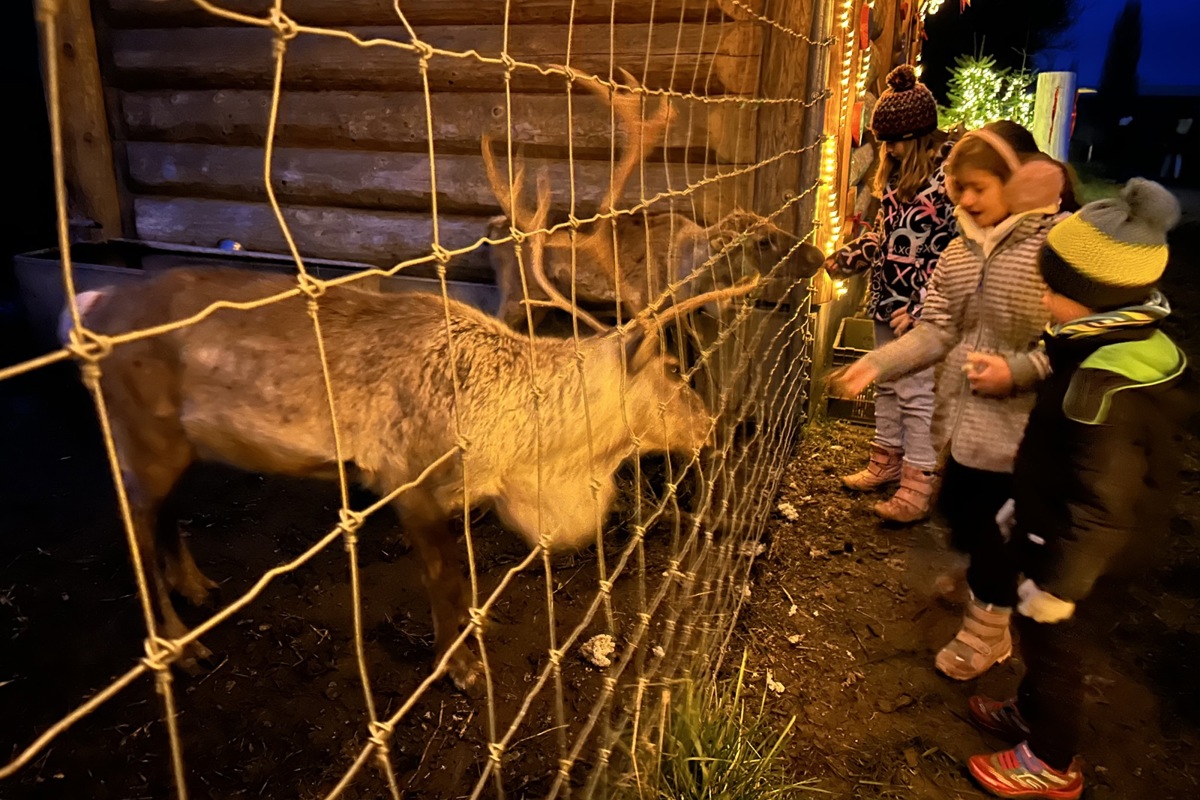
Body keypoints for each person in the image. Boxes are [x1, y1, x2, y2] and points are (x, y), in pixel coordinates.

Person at [965, 179, 1193, 799]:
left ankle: (1051, 759)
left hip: (1083, 554)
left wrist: (1060, 586)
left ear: (1088, 296)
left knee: (1056, 644)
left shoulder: (1101, 389)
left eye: (1050, 286)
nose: (1041, 293)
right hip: (1065, 526)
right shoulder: (1119, 342)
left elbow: (1102, 502)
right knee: (1042, 644)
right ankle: (1031, 713)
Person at [834, 120, 1077, 680]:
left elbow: (1071, 340)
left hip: (1023, 432)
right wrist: (875, 364)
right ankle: (990, 585)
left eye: (978, 188)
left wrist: (1017, 370)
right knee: (960, 516)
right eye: (957, 187)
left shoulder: (1055, 251)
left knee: (993, 532)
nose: (965, 199)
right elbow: (937, 328)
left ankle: (987, 632)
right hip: (963, 425)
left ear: (1016, 184)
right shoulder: (960, 254)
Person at [825, 64, 959, 524]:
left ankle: (918, 482)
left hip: (922, 309)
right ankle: (886, 461)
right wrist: (846, 258)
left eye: (897, 141)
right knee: (887, 383)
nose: (889, 150)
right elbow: (885, 238)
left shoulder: (952, 181)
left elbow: (956, 254)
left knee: (917, 392)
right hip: (886, 299)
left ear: (923, 134)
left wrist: (923, 308)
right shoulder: (898, 178)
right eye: (884, 142)